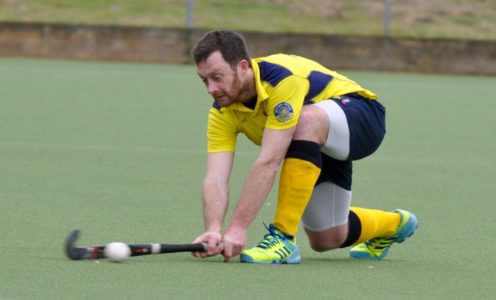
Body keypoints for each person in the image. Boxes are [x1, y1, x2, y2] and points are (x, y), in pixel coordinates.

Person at [191, 30, 418, 264]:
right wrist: (214, 229)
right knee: (326, 237)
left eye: (217, 77)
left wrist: (238, 228)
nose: (211, 88)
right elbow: (215, 178)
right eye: (204, 80)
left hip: (362, 117)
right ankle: (396, 224)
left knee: (303, 120)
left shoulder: (281, 78)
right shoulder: (221, 112)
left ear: (243, 67)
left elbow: (270, 160)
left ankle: (283, 239)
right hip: (317, 142)